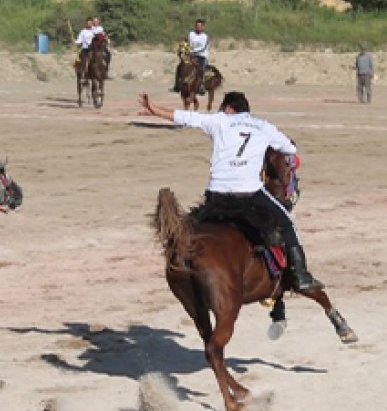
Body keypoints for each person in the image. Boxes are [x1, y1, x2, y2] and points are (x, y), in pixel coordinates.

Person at [137, 90, 324, 292]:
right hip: (250, 194)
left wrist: (155, 109)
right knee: (287, 223)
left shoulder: (219, 121)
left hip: (217, 195)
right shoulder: (264, 126)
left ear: (228, 109)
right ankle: (301, 276)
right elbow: (290, 150)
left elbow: (184, 117)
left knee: (191, 226)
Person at [173, 18, 208, 94]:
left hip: (201, 56)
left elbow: (203, 47)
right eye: (197, 26)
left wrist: (194, 52)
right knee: (180, 66)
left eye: (200, 26)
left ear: (203, 27)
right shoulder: (191, 34)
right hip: (190, 54)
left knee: (202, 69)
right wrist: (183, 47)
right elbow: (188, 42)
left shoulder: (204, 36)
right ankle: (177, 85)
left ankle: (202, 85)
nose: (198, 27)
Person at [74, 16, 95, 82]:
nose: (89, 24)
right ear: (86, 23)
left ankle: (104, 71)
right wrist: (75, 42)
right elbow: (79, 40)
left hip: (93, 49)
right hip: (85, 49)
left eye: (90, 23)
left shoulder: (95, 30)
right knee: (82, 59)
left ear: (92, 23)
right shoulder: (83, 31)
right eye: (88, 23)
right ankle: (83, 73)